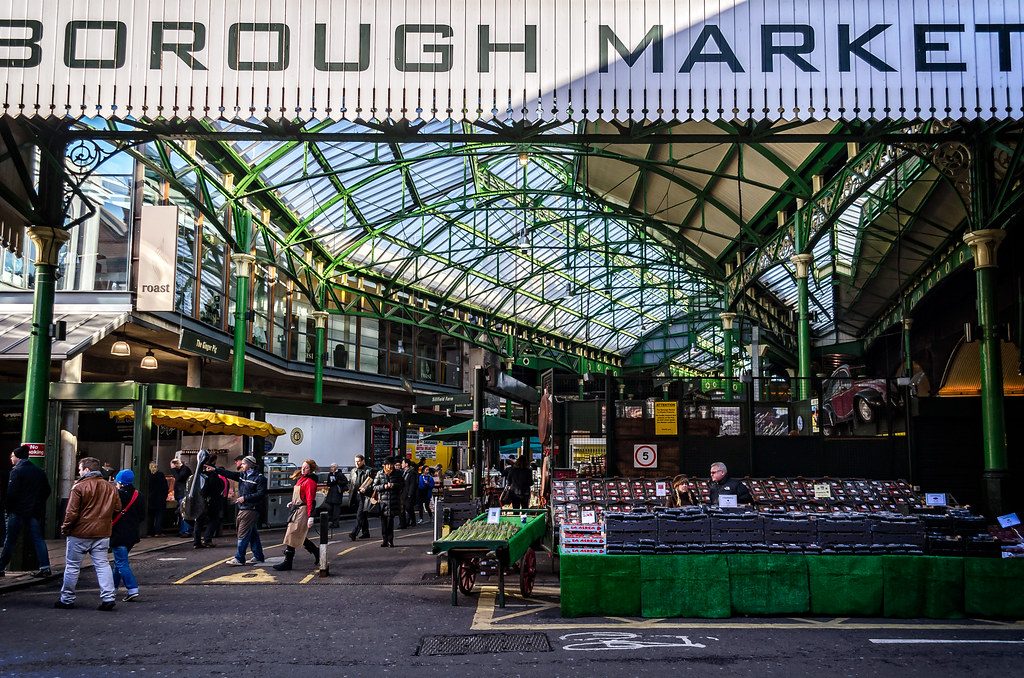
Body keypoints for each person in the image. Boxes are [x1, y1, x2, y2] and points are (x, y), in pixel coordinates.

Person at [56, 457, 121, 611]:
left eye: (79, 469)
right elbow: (118, 508)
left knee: (72, 566)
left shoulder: (79, 487)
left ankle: (67, 599)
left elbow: (71, 513)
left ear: (86, 470)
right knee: (102, 565)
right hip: (102, 532)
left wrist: (65, 528)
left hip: (79, 533)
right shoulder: (110, 487)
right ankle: (108, 597)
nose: (78, 472)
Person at [0, 445, 52, 578]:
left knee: (10, 540)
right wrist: (37, 503)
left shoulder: (16, 471)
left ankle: (1, 567)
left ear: (17, 457)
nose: (11, 458)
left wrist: (8, 508)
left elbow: (11, 493)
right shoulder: (39, 472)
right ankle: (45, 567)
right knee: (38, 539)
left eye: (12, 456)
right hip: (33, 511)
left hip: (17, 511)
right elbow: (47, 490)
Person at [219, 455, 267, 566]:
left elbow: (261, 494)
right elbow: (230, 474)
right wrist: (215, 470)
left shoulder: (259, 478)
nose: (241, 465)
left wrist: (245, 498)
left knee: (243, 533)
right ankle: (259, 556)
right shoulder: (243, 475)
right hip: (244, 508)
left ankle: (239, 558)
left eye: (244, 464)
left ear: (250, 465)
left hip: (251, 509)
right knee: (252, 534)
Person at [274, 459, 321, 571]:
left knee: (293, 533)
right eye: (302, 467)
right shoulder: (302, 479)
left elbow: (310, 500)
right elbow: (301, 495)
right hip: (298, 508)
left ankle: (288, 562)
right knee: (298, 534)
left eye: (306, 468)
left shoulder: (309, 482)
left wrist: (311, 516)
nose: (303, 469)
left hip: (303, 511)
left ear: (311, 469)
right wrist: (293, 502)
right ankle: (316, 552)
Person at [110, 470, 144, 602]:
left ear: (119, 482)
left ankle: (132, 588)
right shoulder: (138, 495)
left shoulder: (116, 495)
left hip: (118, 533)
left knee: (121, 562)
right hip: (132, 534)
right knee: (119, 562)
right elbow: (142, 516)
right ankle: (112, 588)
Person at [192, 456, 226, 549]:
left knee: (198, 521)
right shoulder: (213, 476)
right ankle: (207, 540)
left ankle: (196, 542)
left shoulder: (197, 476)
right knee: (213, 520)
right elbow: (218, 488)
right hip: (211, 502)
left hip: (198, 501)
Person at [373, 457, 403, 547]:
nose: (389, 466)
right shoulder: (380, 473)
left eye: (391, 464)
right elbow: (374, 486)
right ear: (384, 465)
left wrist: (393, 485)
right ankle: (384, 540)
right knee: (383, 522)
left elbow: (402, 485)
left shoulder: (397, 473)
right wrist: (383, 486)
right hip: (383, 502)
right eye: (387, 464)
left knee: (390, 521)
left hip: (393, 501)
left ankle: (390, 540)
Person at [348, 454, 374, 541]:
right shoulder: (353, 471)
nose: (357, 463)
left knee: (360, 515)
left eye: (358, 461)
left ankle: (354, 533)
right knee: (363, 515)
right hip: (356, 495)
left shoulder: (369, 471)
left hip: (365, 496)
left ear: (363, 461)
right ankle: (366, 532)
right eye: (355, 461)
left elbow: (373, 485)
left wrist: (365, 489)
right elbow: (351, 484)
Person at [169, 458, 193, 537]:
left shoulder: (185, 470)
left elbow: (179, 478)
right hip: (181, 494)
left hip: (183, 494)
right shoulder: (183, 470)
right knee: (182, 513)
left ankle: (186, 530)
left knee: (184, 512)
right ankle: (182, 530)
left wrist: (173, 470)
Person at [146, 462, 168, 537]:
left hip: (150, 498)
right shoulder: (160, 475)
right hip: (160, 498)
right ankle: (158, 532)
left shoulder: (147, 475)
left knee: (150, 516)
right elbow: (165, 487)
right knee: (159, 516)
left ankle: (149, 532)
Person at [324, 464, 348, 528]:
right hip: (331, 493)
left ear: (336, 467)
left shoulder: (340, 474)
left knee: (336, 509)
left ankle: (336, 523)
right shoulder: (330, 474)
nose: (331, 468)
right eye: (331, 467)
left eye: (333, 467)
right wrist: (332, 483)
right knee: (329, 507)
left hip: (337, 493)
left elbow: (345, 481)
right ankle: (332, 521)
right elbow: (328, 483)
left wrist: (337, 481)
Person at [400, 457, 418, 529]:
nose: (401, 464)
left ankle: (413, 520)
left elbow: (412, 484)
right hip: (403, 493)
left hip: (408, 493)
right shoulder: (403, 472)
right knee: (402, 508)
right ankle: (404, 523)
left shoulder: (412, 473)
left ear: (406, 464)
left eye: (402, 463)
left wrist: (410, 493)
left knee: (408, 507)